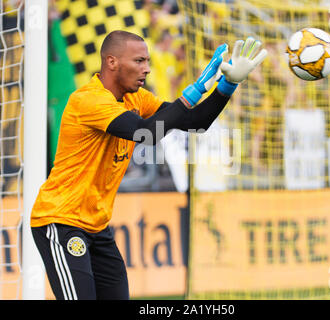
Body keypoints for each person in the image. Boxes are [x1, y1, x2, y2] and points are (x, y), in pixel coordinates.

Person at [30, 30, 267, 300]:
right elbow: (148, 134)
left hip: (97, 226)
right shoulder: (89, 100)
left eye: (148, 61)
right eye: (139, 61)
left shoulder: (137, 99)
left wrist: (226, 86)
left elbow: (195, 122)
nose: (147, 69)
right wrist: (197, 87)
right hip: (60, 222)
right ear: (112, 62)